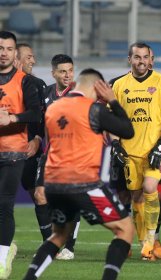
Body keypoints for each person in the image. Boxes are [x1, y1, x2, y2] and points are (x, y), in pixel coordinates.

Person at [23, 68, 135, 280]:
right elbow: (128, 131)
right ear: (98, 87)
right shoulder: (94, 109)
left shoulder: (53, 108)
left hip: (54, 184)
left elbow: (52, 145)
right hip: (84, 184)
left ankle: (29, 278)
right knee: (125, 230)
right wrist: (113, 101)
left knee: (58, 236)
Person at [112, 42, 161, 260]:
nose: (141, 61)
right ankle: (144, 242)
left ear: (151, 59)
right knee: (136, 197)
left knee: (150, 187)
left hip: (154, 150)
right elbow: (111, 120)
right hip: (129, 151)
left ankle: (150, 241)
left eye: (145, 57)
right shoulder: (119, 85)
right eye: (137, 57)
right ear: (129, 59)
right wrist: (114, 143)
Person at [0, 30, 41, 279]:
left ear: (15, 53)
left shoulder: (25, 81)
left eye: (7, 48)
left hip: (14, 152)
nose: (3, 52)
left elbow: (36, 113)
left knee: (4, 205)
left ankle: (2, 258)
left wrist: (12, 117)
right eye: (0, 47)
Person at [36, 54, 79, 260]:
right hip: (50, 154)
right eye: (63, 71)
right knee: (40, 196)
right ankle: (51, 244)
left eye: (70, 70)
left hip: (74, 156)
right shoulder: (45, 93)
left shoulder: (79, 94)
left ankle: (69, 248)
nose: (67, 74)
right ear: (53, 73)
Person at [15, 43, 50, 241]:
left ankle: (50, 241)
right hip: (7, 148)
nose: (33, 61)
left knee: (37, 194)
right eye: (29, 57)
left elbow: (43, 117)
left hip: (30, 148)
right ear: (16, 59)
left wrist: (37, 138)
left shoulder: (37, 84)